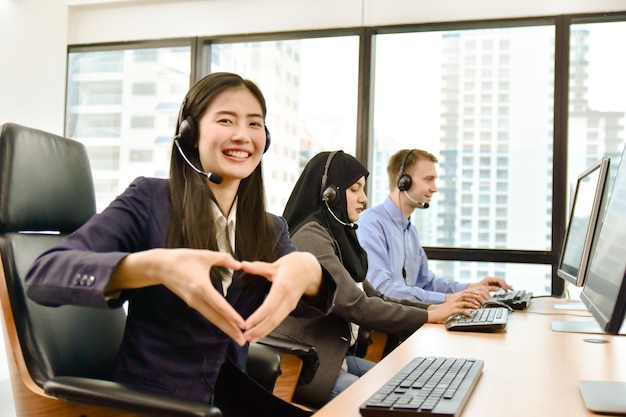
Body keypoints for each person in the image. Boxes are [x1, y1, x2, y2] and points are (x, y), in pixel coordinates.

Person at [24, 72, 337, 417]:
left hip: (230, 402)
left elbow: (310, 304)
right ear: (191, 133)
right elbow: (44, 275)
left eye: (254, 124)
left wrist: (309, 271)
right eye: (225, 120)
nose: (242, 135)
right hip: (150, 406)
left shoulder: (269, 228)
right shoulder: (149, 200)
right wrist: (154, 266)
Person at [272, 150, 480, 409]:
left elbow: (376, 297)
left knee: (417, 383)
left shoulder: (339, 236)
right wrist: (427, 317)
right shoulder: (311, 238)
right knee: (402, 402)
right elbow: (355, 304)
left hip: (338, 357)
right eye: (355, 189)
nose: (364, 198)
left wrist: (433, 309)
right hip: (311, 365)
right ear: (330, 194)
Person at [356, 148, 512, 305]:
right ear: (403, 182)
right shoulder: (370, 225)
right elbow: (381, 290)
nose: (434, 188)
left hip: (413, 319)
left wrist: (471, 288)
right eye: (428, 179)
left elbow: (427, 283)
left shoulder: (410, 231)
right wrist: (448, 299)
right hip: (388, 327)